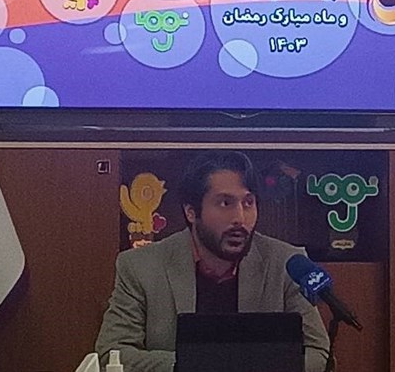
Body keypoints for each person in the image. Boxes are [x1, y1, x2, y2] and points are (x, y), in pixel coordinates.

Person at [95, 151, 330, 372]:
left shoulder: (286, 263)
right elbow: (112, 353)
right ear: (191, 212)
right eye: (225, 203)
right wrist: (198, 364)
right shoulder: (141, 266)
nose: (240, 218)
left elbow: (318, 353)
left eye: (248, 203)